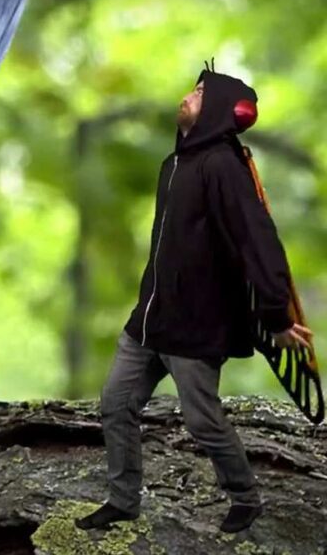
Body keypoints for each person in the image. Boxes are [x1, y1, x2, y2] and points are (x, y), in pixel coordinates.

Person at [76, 67, 314, 534]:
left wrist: (276, 316)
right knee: (115, 404)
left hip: (196, 326)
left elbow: (258, 241)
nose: (187, 96)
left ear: (223, 112)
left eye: (201, 93)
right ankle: (123, 500)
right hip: (148, 321)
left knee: (203, 422)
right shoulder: (175, 164)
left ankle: (245, 496)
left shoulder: (223, 165)